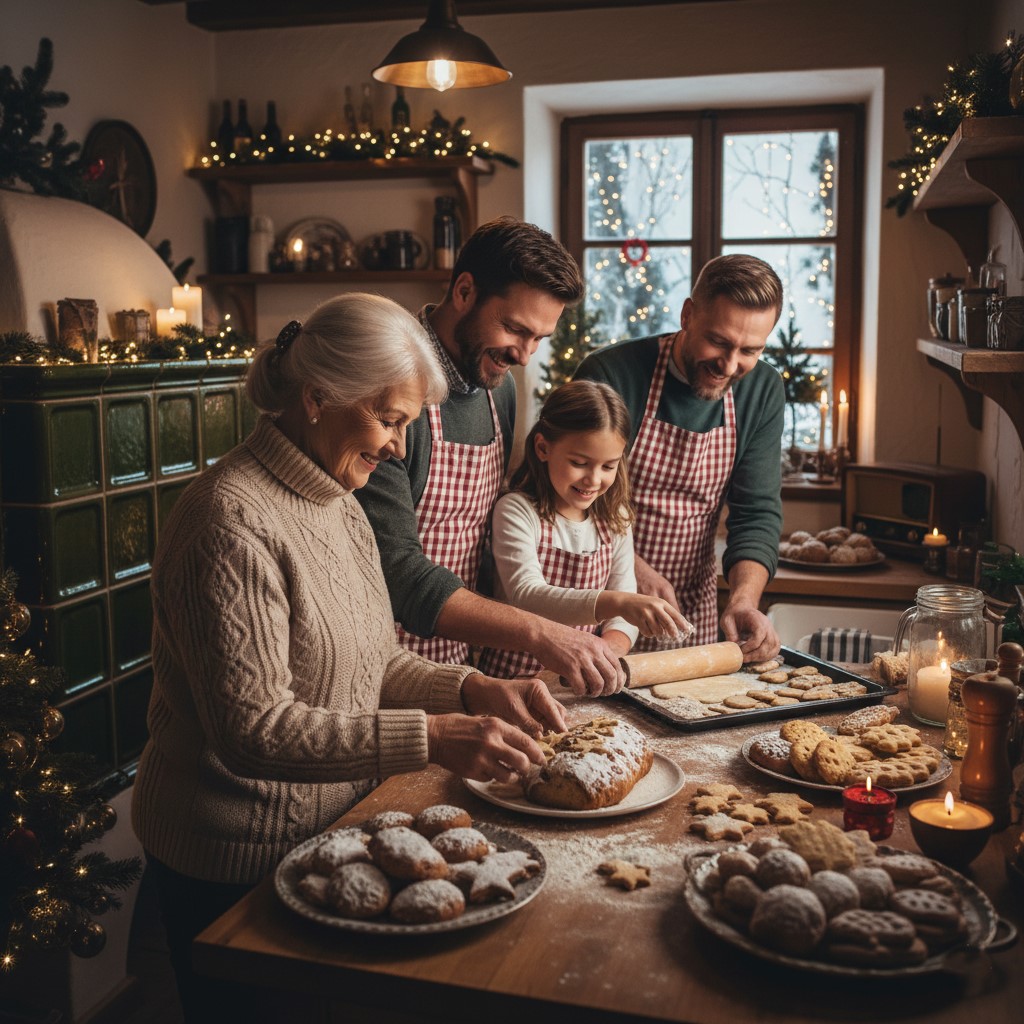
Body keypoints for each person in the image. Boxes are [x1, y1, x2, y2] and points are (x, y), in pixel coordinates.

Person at [131, 294, 567, 1023]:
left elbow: (372, 663)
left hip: (325, 839)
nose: (398, 446)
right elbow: (255, 729)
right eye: (389, 420)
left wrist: (473, 688)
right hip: (227, 864)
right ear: (316, 398)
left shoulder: (337, 499)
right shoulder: (229, 523)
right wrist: (431, 737)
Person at [355, 216, 625, 695]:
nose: (525, 355)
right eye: (515, 328)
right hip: (378, 663)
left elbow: (483, 536)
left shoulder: (496, 388)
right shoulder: (389, 388)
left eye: (540, 338)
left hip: (460, 660)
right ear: (464, 291)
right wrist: (540, 633)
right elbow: (394, 567)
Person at [574, 253, 785, 663]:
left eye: (749, 350)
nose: (728, 364)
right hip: (597, 599)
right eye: (719, 342)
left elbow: (756, 513)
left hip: (692, 609)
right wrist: (631, 569)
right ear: (688, 314)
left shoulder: (762, 390)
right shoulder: (611, 373)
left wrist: (743, 600)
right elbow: (562, 498)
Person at [477, 380, 690, 678]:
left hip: (580, 680)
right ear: (543, 448)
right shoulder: (517, 511)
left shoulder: (614, 519)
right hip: (511, 680)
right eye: (579, 462)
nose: (593, 479)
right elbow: (527, 595)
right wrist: (617, 602)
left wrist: (607, 653)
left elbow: (623, 613)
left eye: (608, 466)